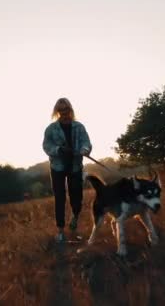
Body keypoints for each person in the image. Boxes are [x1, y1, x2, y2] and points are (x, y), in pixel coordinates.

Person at [42, 98, 92, 243]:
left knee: (77, 196)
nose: (64, 113)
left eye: (66, 110)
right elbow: (46, 146)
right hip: (57, 167)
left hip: (75, 165)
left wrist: (84, 150)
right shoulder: (51, 129)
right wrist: (58, 150)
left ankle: (75, 218)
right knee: (60, 198)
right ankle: (60, 231)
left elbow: (86, 142)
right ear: (57, 112)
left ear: (70, 110)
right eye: (61, 111)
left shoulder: (79, 127)